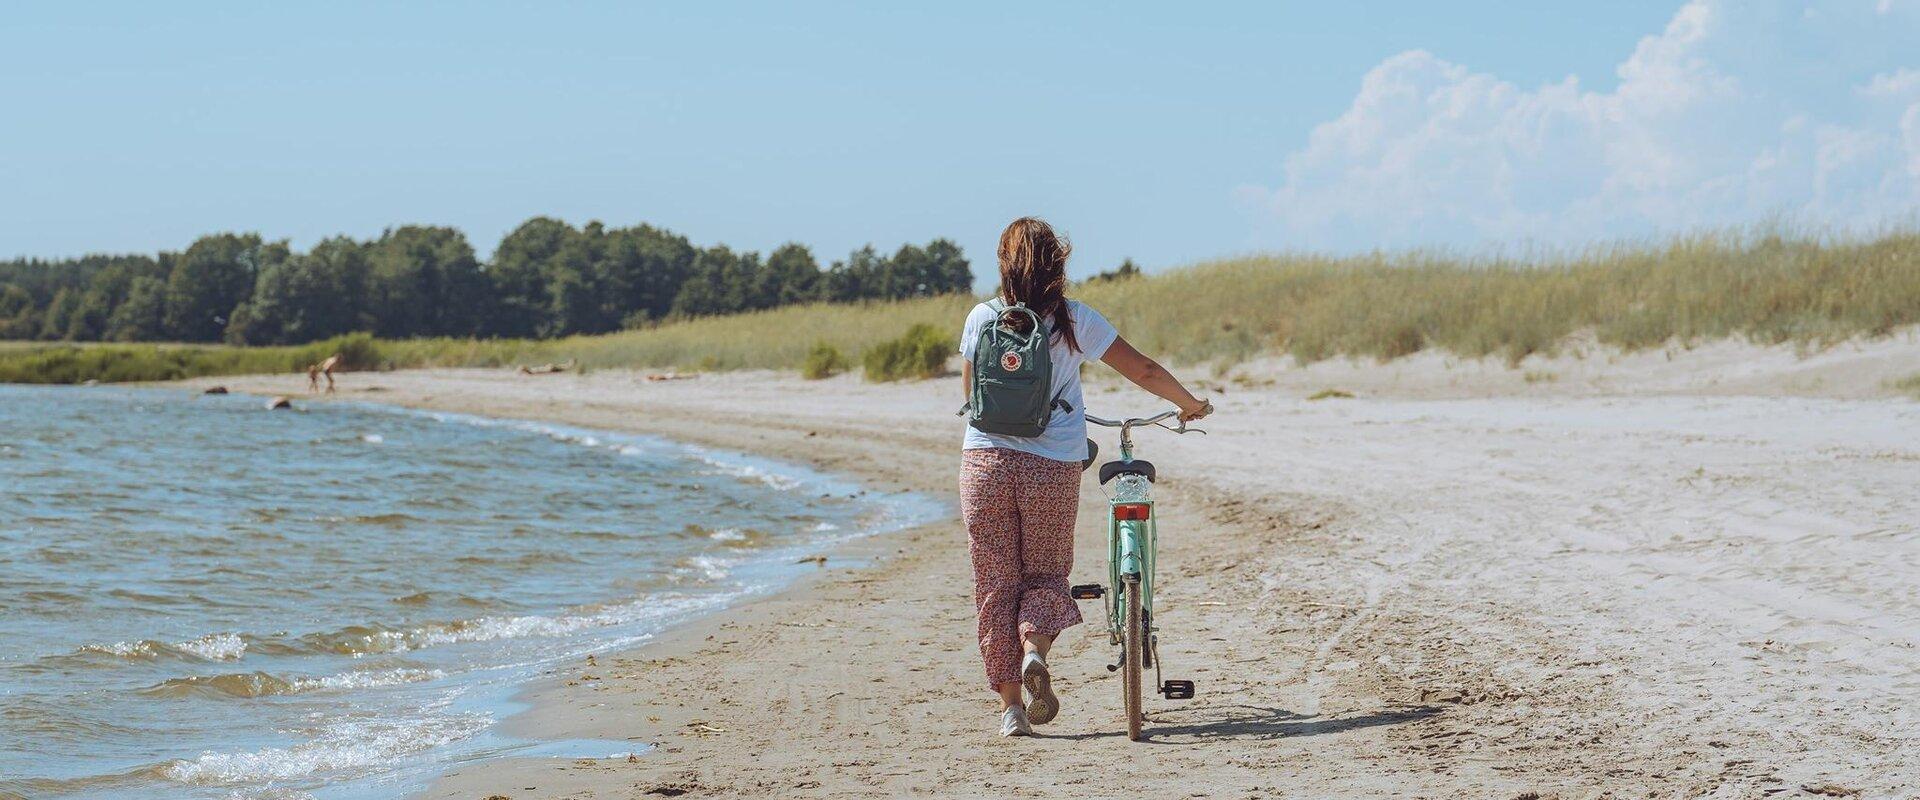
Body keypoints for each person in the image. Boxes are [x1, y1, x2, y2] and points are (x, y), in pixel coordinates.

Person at [958, 217, 1212, 737]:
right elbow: (1141, 370)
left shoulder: (982, 318)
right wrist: (1189, 404)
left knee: (994, 585)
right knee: (1047, 575)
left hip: (983, 465)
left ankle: (1011, 712)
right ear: (1058, 266)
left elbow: (971, 401)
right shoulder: (1074, 320)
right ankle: (1034, 650)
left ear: (1003, 265)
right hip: (1051, 466)